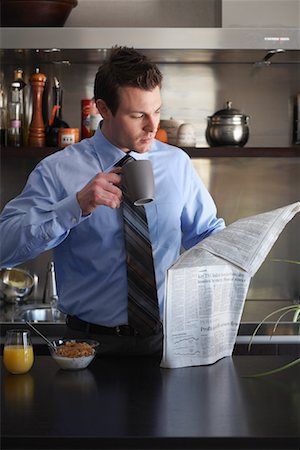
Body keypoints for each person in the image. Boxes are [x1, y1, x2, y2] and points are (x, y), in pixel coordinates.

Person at [0, 46, 225, 359]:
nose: (153, 126)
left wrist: (242, 245)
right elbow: (4, 246)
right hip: (88, 347)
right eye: (138, 116)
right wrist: (73, 207)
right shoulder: (58, 170)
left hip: (169, 342)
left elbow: (206, 236)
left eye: (157, 111)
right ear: (103, 109)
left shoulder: (177, 164)